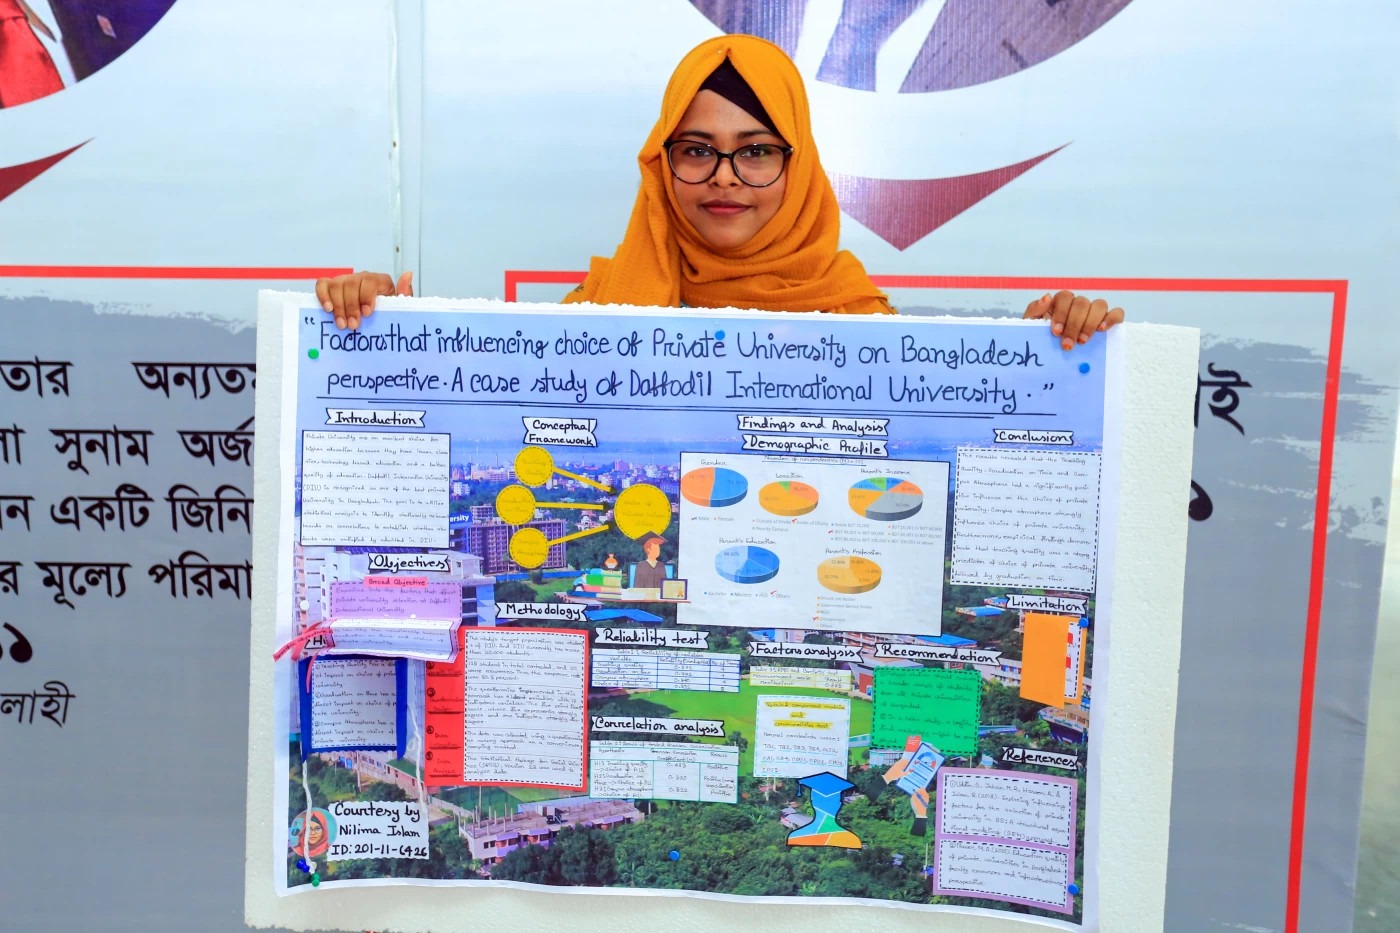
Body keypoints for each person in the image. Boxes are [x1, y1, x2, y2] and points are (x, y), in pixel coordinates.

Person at [315, 34, 1124, 350]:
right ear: (661, 163)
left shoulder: (858, 320)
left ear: (798, 167)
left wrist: (1048, 352)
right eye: (697, 150)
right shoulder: (596, 312)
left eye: (757, 152)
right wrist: (383, 325)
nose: (726, 178)